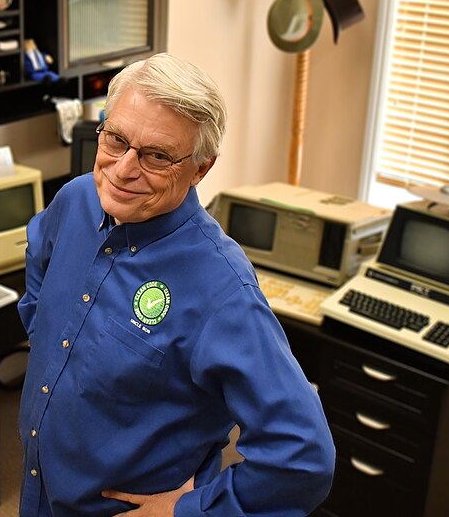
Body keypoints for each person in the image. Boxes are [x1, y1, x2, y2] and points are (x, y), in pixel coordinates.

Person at [17, 53, 335, 516]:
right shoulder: (77, 198)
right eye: (117, 140)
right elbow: (38, 270)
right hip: (38, 494)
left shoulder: (222, 289)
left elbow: (303, 456)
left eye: (157, 156)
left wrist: (191, 512)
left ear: (200, 169)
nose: (124, 169)